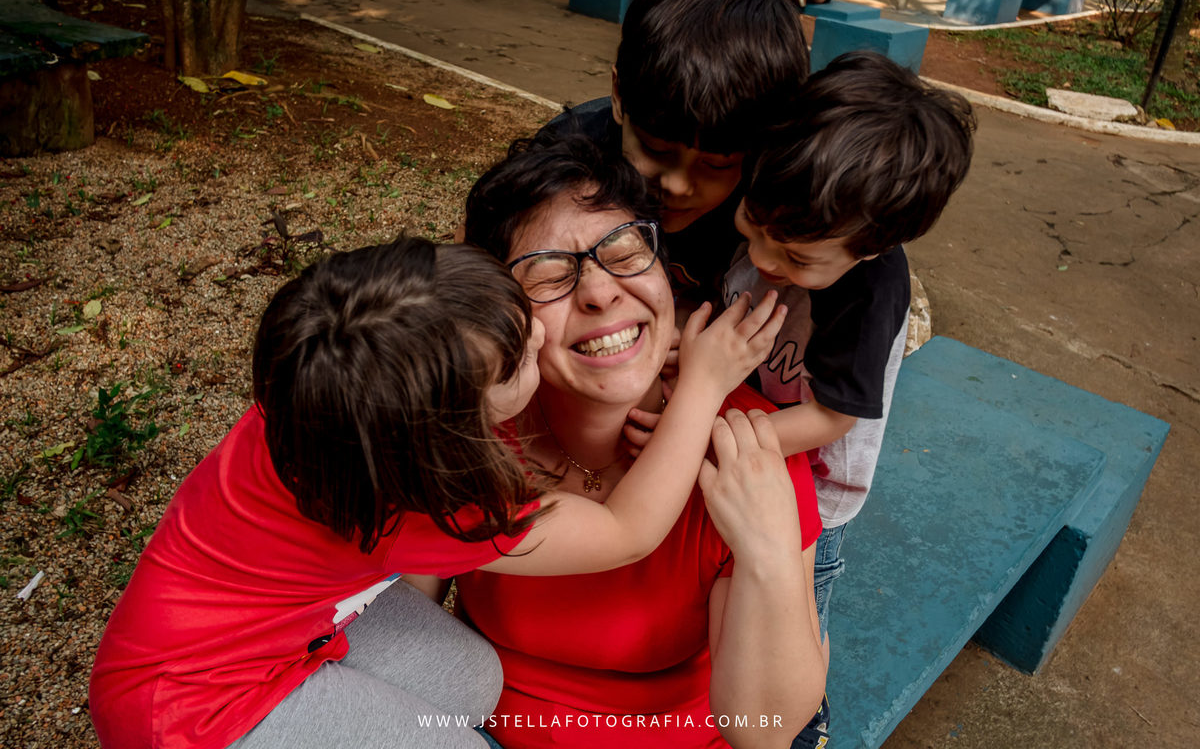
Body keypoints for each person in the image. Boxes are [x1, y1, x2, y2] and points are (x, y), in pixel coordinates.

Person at [88, 236, 781, 749]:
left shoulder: (326, 396)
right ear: (452, 436)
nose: (542, 331)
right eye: (516, 359)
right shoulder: (425, 503)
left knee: (468, 682)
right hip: (195, 716)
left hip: (240, 633)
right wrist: (703, 386)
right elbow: (627, 531)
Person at [457, 132, 828, 748]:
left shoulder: (749, 449)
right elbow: (404, 625)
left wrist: (769, 554)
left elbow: (763, 734)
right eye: (549, 275)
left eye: (626, 254)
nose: (600, 292)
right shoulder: (469, 427)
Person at [722, 51, 977, 636]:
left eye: (796, 257)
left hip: (814, 488)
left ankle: (803, 694)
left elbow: (833, 416)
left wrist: (707, 442)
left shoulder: (869, 293)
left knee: (791, 618)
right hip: (754, 436)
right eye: (751, 225)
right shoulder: (784, 197)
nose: (762, 257)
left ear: (872, 245)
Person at [537, 0, 809, 307]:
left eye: (716, 164)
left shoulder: (777, 195)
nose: (678, 186)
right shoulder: (561, 163)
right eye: (656, 149)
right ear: (619, 95)